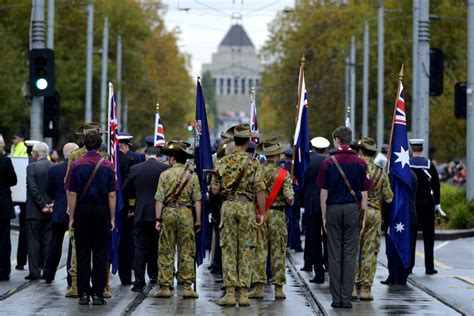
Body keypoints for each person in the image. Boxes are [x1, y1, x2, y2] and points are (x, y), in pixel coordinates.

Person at [211, 123, 266, 307]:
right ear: (248, 141)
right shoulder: (254, 163)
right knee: (246, 249)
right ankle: (243, 294)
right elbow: (260, 190)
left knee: (228, 249)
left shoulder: (222, 162)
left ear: (234, 140)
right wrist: (262, 213)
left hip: (228, 206)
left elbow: (215, 190)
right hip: (247, 207)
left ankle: (229, 293)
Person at [316, 126, 370, 309]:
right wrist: (363, 216)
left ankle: (336, 298)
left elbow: (323, 193)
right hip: (353, 210)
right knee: (350, 255)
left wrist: (324, 216)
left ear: (337, 140)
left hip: (333, 209)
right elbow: (364, 194)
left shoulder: (328, 163)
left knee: (334, 254)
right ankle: (346, 298)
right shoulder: (362, 164)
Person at [66, 130, 116, 305]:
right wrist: (112, 217)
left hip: (82, 211)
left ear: (85, 144)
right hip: (102, 211)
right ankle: (98, 294)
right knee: (100, 254)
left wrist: (71, 217)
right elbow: (111, 195)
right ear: (100, 144)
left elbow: (72, 193)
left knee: (82, 254)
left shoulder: (76, 165)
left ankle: (83, 294)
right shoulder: (108, 166)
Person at [153, 141, 201, 299]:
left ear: (173, 159)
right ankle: (187, 287)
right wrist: (198, 220)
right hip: (186, 213)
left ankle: (165, 287)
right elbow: (197, 200)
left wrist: (158, 219)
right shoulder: (192, 176)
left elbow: (159, 199)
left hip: (168, 212)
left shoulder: (164, 175)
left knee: (166, 249)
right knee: (187, 250)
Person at [248, 137, 294, 300]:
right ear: (276, 156)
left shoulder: (257, 170)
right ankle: (279, 289)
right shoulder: (283, 173)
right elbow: (289, 199)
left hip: (259, 214)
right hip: (277, 216)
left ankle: (259, 287)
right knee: (278, 251)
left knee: (259, 251)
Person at [123, 146, 168, 292]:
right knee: (158, 247)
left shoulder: (136, 169)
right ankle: (156, 276)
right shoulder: (164, 169)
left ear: (145, 155)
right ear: (159, 156)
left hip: (140, 213)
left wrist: (131, 206)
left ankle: (139, 282)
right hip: (159, 215)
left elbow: (126, 189)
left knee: (140, 248)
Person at [354, 138, 393, 301]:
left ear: (361, 152)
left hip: (356, 212)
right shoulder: (381, 172)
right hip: (374, 213)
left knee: (353, 249)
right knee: (370, 251)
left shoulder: (354, 169)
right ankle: (365, 289)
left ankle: (352, 287)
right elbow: (389, 199)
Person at [44, 143, 79, 284]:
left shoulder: (55, 169)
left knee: (55, 244)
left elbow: (49, 190)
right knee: (73, 247)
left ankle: (49, 274)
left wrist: (58, 200)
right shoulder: (78, 168)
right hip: (74, 211)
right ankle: (71, 278)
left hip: (59, 211)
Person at [409, 139, 443, 275]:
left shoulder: (407, 164)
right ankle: (429, 267)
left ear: (411, 149)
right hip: (427, 204)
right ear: (422, 149)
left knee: (411, 236)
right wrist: (437, 204)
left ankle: (409, 266)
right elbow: (436, 185)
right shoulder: (429, 164)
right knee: (429, 236)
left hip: (412, 203)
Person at [301, 136, 330, 284]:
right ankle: (329, 266)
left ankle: (318, 273)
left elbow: (302, 183)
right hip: (328, 205)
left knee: (314, 240)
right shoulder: (329, 161)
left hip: (311, 204)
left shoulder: (307, 162)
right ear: (325, 148)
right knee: (328, 239)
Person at [25, 142, 53, 280]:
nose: (31, 154)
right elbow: (56, 188)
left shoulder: (31, 167)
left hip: (34, 212)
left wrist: (42, 205)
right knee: (47, 241)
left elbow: (32, 188)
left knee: (33, 243)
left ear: (36, 153)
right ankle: (47, 271)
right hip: (51, 211)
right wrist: (51, 204)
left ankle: (34, 272)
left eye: (32, 152)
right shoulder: (54, 167)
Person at [117, 133, 134, 286]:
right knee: (125, 244)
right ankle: (126, 277)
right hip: (123, 208)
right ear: (124, 145)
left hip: (106, 208)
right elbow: (129, 187)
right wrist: (131, 206)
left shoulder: (108, 160)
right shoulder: (127, 160)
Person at [0, 134, 18, 281]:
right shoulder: (5, 161)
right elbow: (14, 180)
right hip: (3, 206)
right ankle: (3, 271)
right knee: (4, 240)